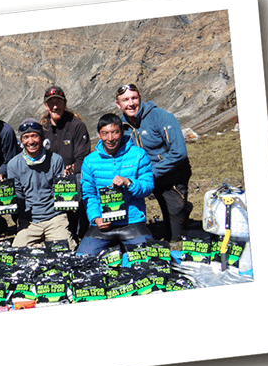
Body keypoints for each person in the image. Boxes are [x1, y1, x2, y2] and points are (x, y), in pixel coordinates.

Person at [116, 83, 193, 242]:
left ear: (140, 98)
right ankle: (176, 214)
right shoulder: (123, 126)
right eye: (125, 100)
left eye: (134, 98)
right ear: (118, 104)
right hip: (152, 176)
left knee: (176, 235)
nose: (131, 103)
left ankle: (181, 211)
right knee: (165, 211)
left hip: (173, 174)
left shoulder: (160, 116)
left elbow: (179, 152)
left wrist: (151, 172)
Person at [76, 113, 155, 256]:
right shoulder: (90, 161)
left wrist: (129, 182)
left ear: (122, 132)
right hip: (103, 224)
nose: (110, 138)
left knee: (144, 261)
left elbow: (148, 187)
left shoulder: (139, 155)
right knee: (82, 258)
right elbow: (89, 194)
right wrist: (95, 218)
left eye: (115, 132)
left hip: (132, 221)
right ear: (99, 134)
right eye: (105, 133)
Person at [7, 118, 77, 251]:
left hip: (55, 217)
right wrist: (5, 192)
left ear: (42, 139)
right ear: (21, 141)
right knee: (17, 253)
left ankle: (42, 245)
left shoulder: (56, 160)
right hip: (29, 221)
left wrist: (65, 183)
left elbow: (59, 195)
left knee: (66, 251)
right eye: (26, 137)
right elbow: (18, 195)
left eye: (34, 136)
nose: (31, 141)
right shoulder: (13, 164)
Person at [40, 85, 91, 239]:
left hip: (72, 175)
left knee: (79, 183)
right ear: (46, 105)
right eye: (51, 103)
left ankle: (80, 232)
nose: (55, 106)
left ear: (65, 103)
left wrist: (71, 169)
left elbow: (83, 158)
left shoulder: (77, 126)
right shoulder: (42, 128)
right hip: (48, 175)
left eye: (59, 102)